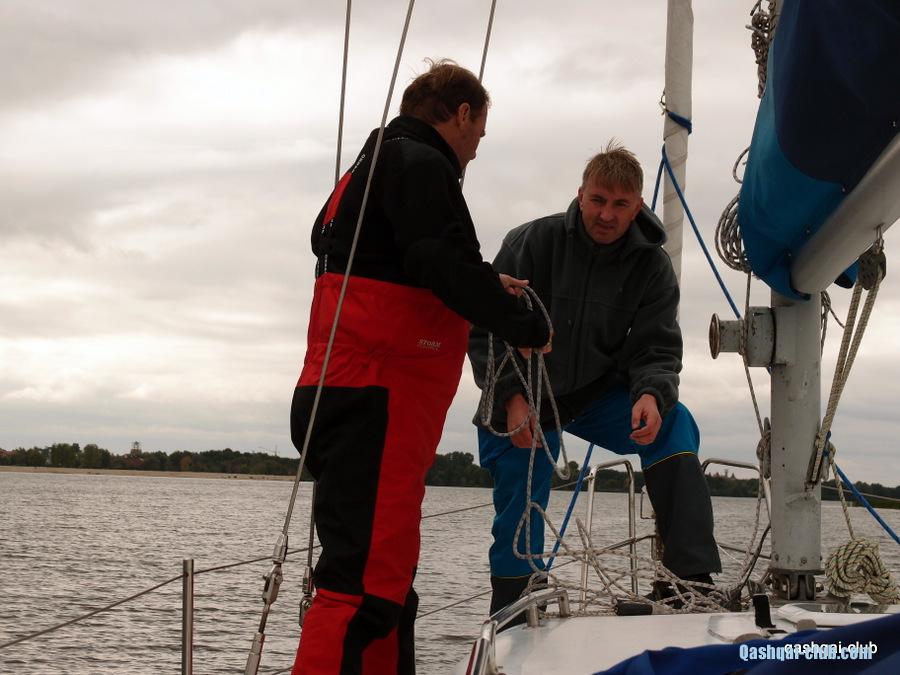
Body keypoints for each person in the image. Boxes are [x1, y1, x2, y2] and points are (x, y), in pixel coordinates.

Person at [288, 60, 551, 675]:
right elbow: (440, 263)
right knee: (360, 589)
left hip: (342, 392)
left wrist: (483, 283)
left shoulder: (368, 167)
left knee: (385, 584)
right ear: (461, 114)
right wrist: (526, 326)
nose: (476, 148)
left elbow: (396, 260)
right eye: (478, 133)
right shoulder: (421, 164)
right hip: (377, 403)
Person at [468, 141, 722, 621]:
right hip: (524, 391)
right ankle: (515, 604)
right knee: (522, 484)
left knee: (675, 423)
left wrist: (650, 394)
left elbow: (656, 347)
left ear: (637, 206)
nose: (606, 214)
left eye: (620, 204)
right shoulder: (531, 242)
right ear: (580, 194)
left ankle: (690, 580)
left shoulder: (652, 265)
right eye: (598, 200)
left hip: (594, 395)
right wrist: (511, 398)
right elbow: (485, 328)